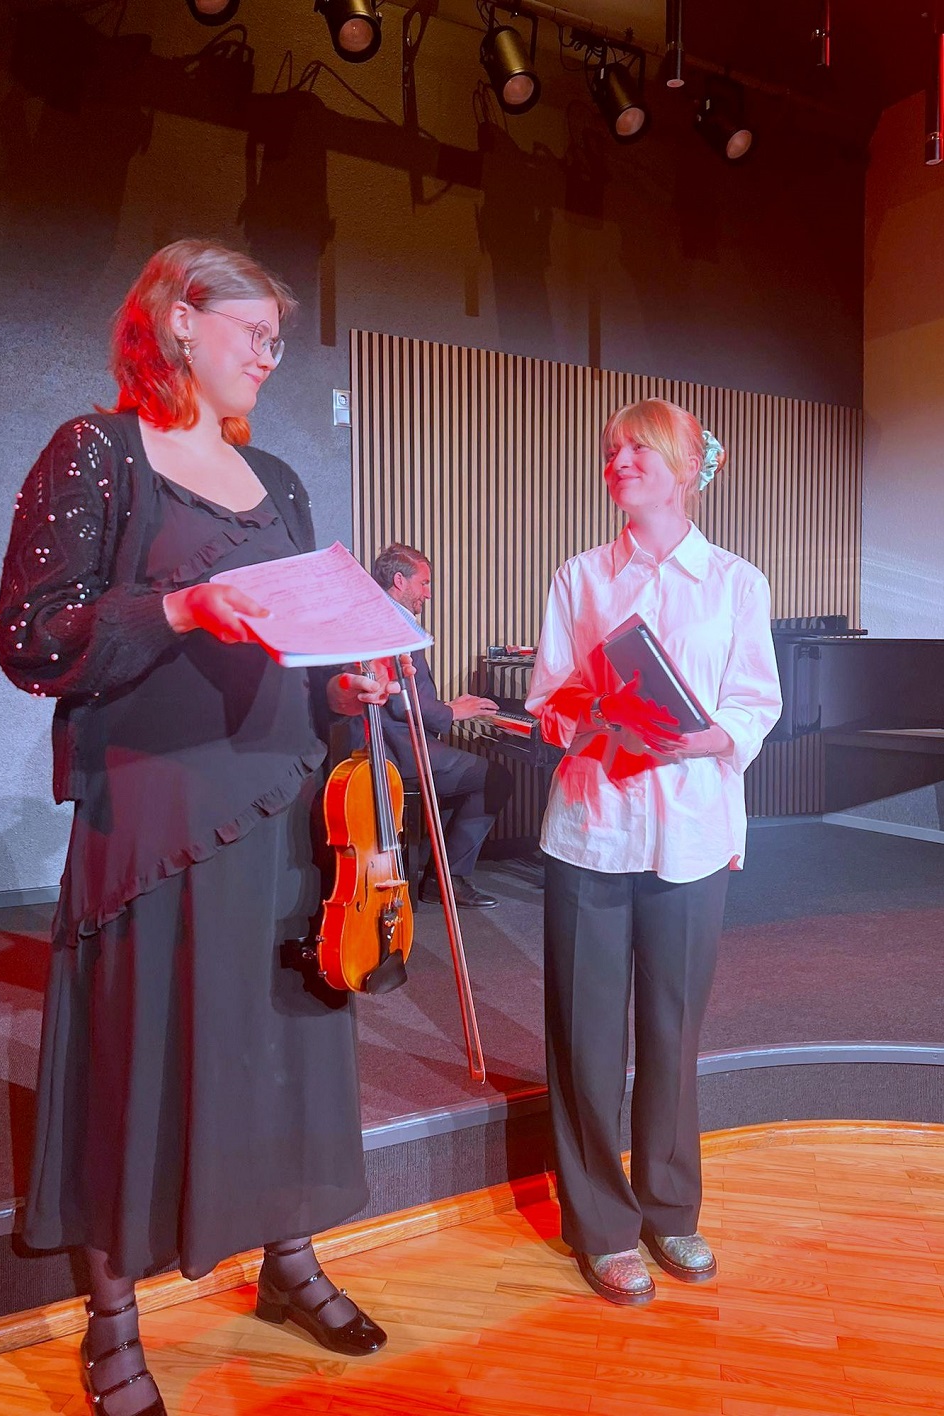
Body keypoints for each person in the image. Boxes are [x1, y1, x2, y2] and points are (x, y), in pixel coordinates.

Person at [0, 240, 392, 1416]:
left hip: (286, 801)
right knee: (137, 1056)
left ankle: (289, 1264)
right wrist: (178, 606)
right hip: (155, 812)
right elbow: (33, 636)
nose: (270, 354)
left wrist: (344, 684)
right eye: (253, 332)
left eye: (277, 339)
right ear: (179, 320)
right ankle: (112, 1323)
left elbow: (300, 643)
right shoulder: (97, 451)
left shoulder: (279, 479)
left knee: (285, 1051)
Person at [525, 398, 782, 1307]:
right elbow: (548, 703)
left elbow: (755, 702)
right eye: (611, 452)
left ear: (684, 466)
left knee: (674, 1031)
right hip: (592, 829)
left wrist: (709, 738)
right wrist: (587, 708)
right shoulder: (580, 576)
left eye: (637, 448)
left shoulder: (738, 582)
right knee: (586, 1035)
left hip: (692, 832)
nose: (618, 462)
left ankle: (671, 1208)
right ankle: (601, 1224)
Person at [366, 543, 513, 909]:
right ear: (399, 581)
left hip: (399, 741)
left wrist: (449, 708)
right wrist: (452, 712)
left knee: (468, 778)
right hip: (399, 749)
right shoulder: (392, 623)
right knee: (494, 778)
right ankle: (449, 879)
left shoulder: (381, 616)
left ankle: (441, 875)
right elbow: (399, 700)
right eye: (424, 583)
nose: (428, 593)